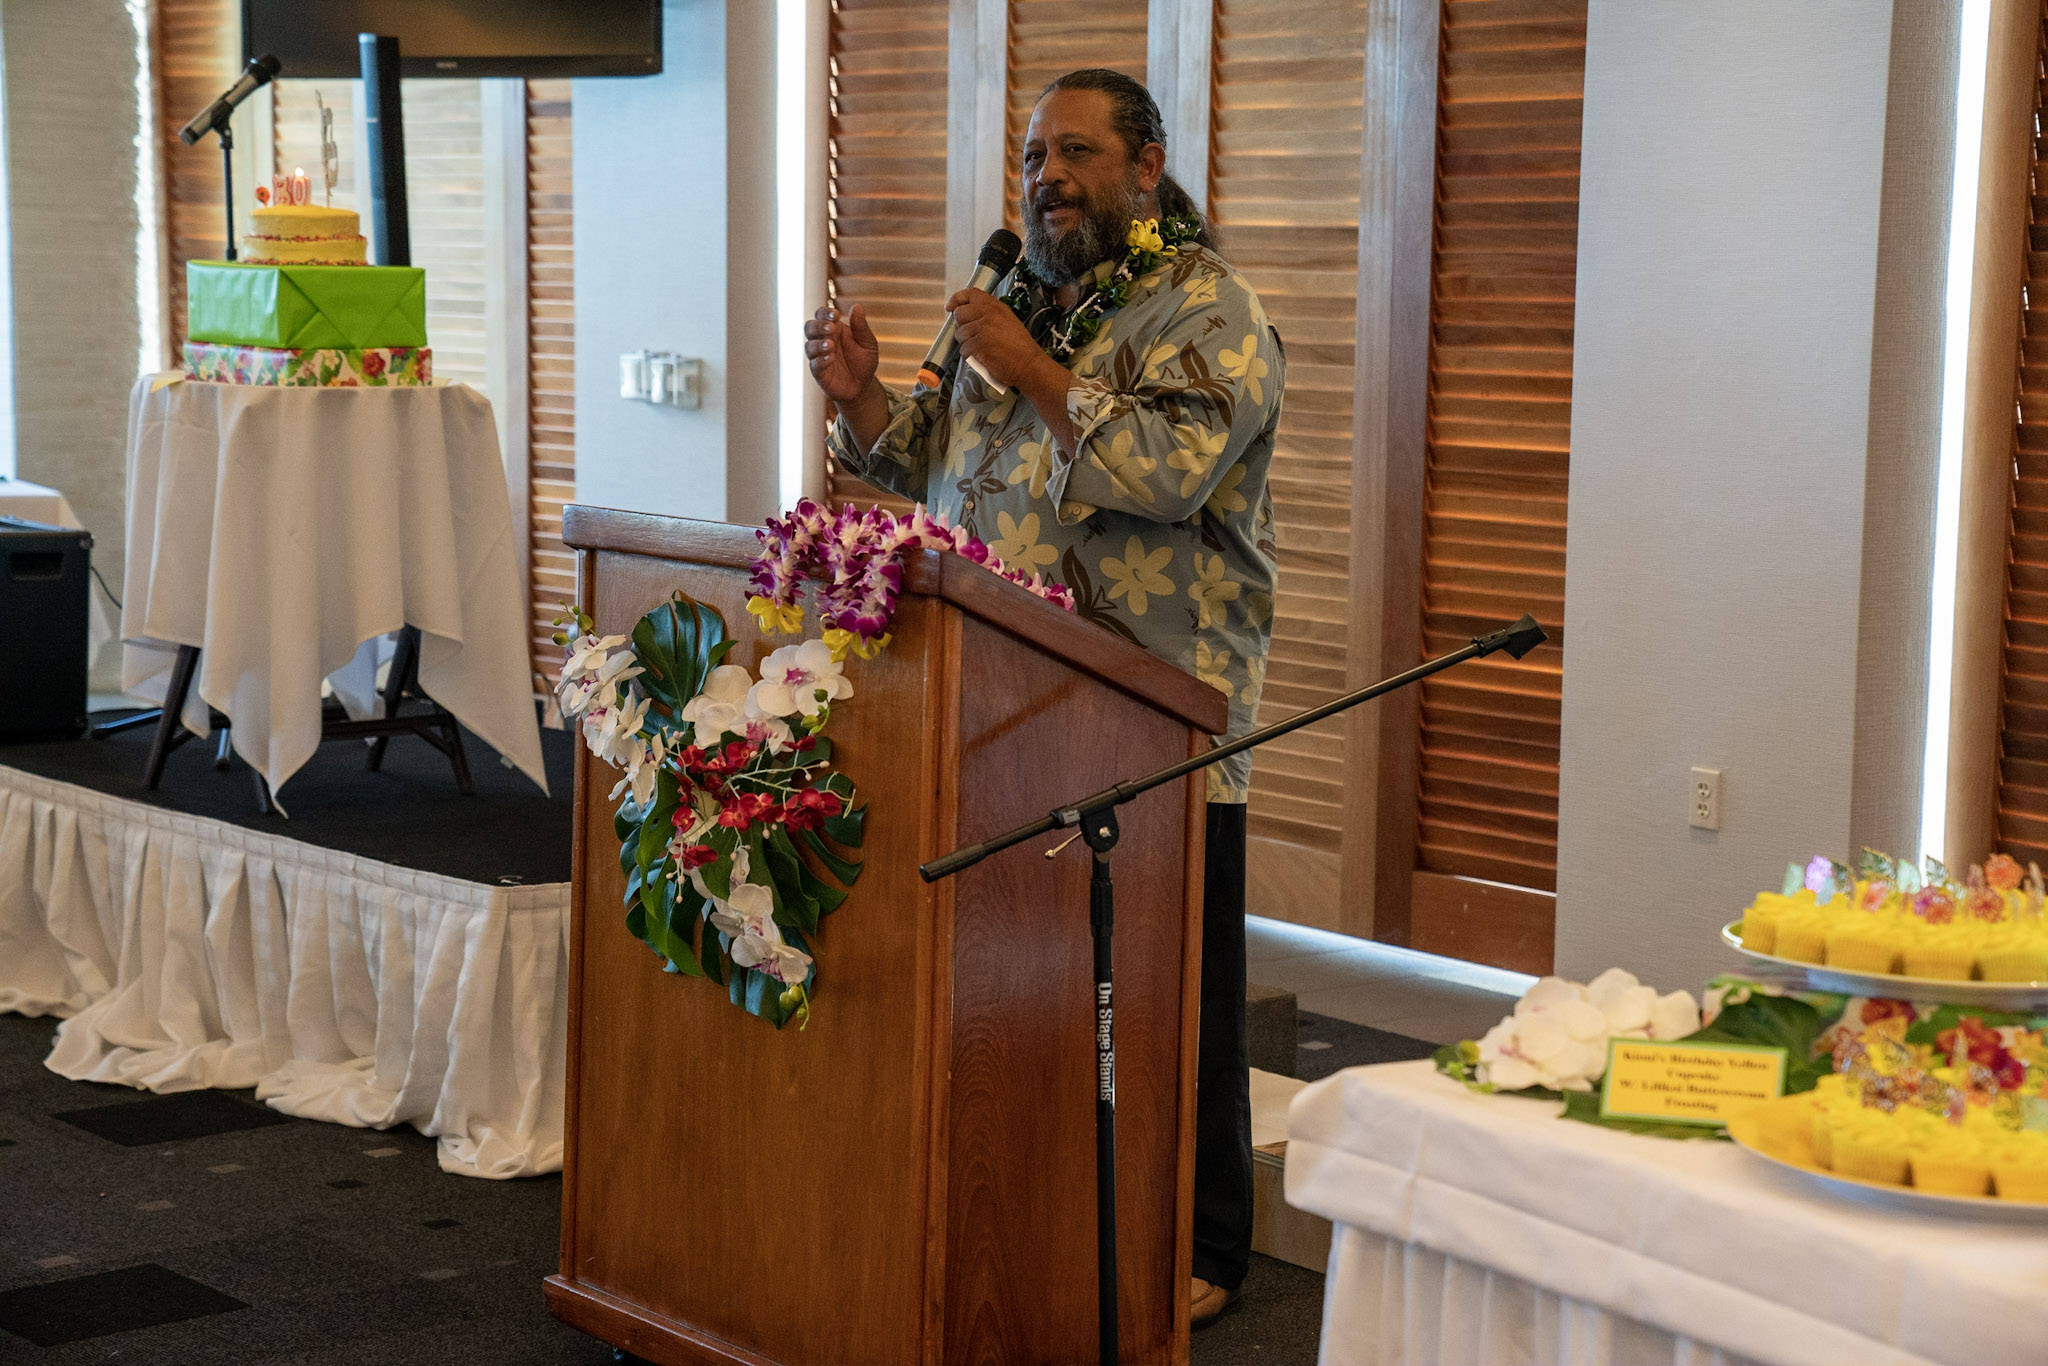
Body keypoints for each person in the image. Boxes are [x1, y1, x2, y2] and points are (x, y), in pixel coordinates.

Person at [804, 67, 1282, 1327]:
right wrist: (860, 396)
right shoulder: (1009, 297)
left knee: (1175, 990)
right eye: (1032, 156)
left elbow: (1168, 471)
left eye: (1074, 152)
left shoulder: (1209, 309)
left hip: (1154, 703)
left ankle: (1205, 1244)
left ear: (1145, 167)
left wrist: (1027, 370)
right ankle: (1036, 1200)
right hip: (993, 696)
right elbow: (921, 457)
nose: (1046, 177)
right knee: (1020, 976)